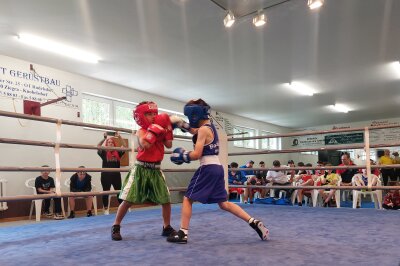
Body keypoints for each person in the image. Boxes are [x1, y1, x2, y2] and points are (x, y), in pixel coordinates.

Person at [167, 99, 269, 244]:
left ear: (194, 115)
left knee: (187, 199)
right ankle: (253, 221)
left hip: (207, 168)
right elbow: (196, 131)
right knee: (224, 203)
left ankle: (183, 233)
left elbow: (196, 154)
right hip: (218, 168)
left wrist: (183, 155)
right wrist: (182, 125)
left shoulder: (203, 130)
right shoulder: (210, 127)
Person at [111, 101, 176, 241]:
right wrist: (155, 130)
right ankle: (116, 226)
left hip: (156, 170)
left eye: (155, 113)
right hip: (141, 168)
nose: (153, 116)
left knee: (166, 200)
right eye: (149, 114)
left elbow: (169, 144)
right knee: (128, 200)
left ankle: (166, 227)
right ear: (140, 116)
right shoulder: (141, 131)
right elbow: (145, 144)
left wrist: (168, 129)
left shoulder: (161, 128)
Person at [97, 131, 126, 215]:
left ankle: (121, 207)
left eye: (112, 142)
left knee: (119, 192)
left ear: (114, 144)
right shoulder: (104, 152)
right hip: (106, 175)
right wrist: (104, 138)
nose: (110, 143)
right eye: (108, 142)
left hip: (116, 175)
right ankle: (106, 209)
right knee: (106, 192)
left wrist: (119, 137)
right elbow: (98, 146)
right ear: (107, 144)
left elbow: (124, 146)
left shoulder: (118, 152)